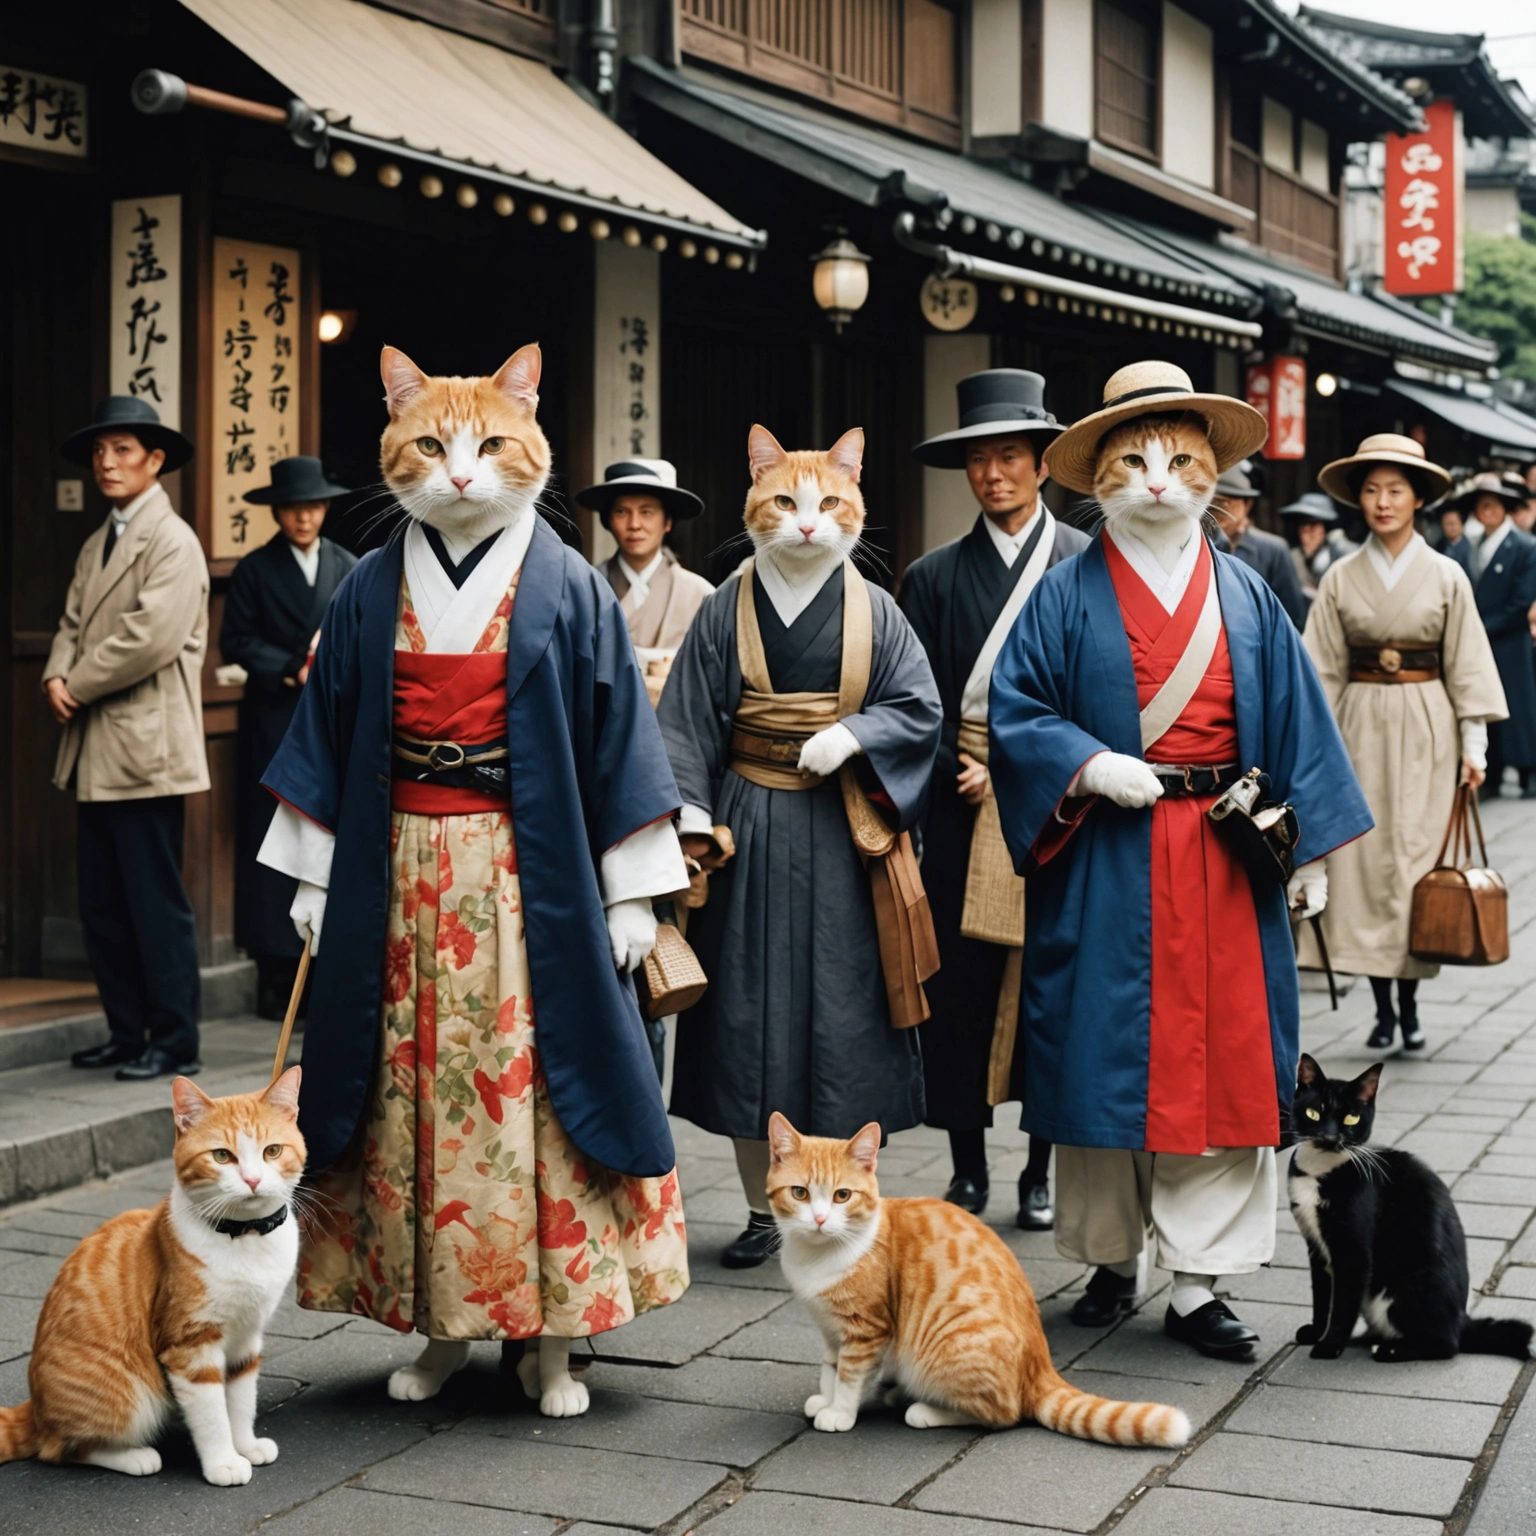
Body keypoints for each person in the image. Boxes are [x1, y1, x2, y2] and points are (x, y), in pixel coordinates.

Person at [257, 343, 689, 1414]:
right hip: (397, 868)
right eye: (430, 445)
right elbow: (327, 728)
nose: (461, 470)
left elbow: (618, 735)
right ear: (395, 448)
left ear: (530, 437)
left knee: (539, 1092)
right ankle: (438, 1323)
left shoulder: (568, 584)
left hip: (525, 873)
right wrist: (314, 875)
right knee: (402, 1088)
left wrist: (632, 887)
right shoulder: (367, 587)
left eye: (488, 443)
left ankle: (547, 1337)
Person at [989, 362, 1372, 1362]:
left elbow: (1298, 725)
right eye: (1134, 461)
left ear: (1211, 476)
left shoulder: (1247, 595)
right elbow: (1017, 714)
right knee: (1100, 1061)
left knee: (1227, 1066)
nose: (1157, 478)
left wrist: (1311, 851)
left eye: (1179, 462)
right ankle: (1113, 1257)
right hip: (1107, 853)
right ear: (1099, 476)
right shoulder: (1062, 596)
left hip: (1223, 855)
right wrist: (1084, 763)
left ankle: (1198, 1284)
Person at [657, 424, 942, 1269]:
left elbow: (920, 710)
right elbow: (683, 726)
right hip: (745, 826)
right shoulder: (726, 604)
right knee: (745, 1016)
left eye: (830, 501)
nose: (808, 521)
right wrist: (689, 823)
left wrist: (856, 733)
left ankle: (842, 1191)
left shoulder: (876, 609)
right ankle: (759, 1202)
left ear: (855, 502)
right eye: (786, 499)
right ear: (756, 494)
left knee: (845, 1016)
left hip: (842, 830)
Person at [897, 369, 1089, 1227]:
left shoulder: (1085, 565)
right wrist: (953, 769)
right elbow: (910, 702)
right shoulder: (934, 577)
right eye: (979, 460)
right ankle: (967, 1165)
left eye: (1010, 457)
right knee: (962, 993)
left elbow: (1098, 698)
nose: (994, 475)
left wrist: (1027, 771)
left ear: (1043, 463)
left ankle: (1040, 1169)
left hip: (1056, 807)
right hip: (959, 801)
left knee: (1051, 987)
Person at [1299, 438, 1506, 1050]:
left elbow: (1466, 661)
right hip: (1358, 724)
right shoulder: (1340, 576)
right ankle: (1383, 1007)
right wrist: (1313, 750)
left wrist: (1476, 745)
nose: (1382, 502)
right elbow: (1322, 670)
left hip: (1427, 726)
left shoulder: (1446, 574)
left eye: (1395, 490)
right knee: (1361, 865)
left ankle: (1410, 1002)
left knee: (1416, 865)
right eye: (1370, 490)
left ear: (1419, 498)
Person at [45, 398, 208, 1081]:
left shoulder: (173, 540)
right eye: (99, 452)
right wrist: (56, 669)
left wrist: (75, 682)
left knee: (153, 904)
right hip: (95, 749)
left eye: (122, 450)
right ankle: (125, 1030)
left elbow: (150, 637)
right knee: (103, 904)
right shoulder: (97, 541)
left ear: (155, 460)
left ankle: (174, 1042)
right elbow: (71, 619)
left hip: (147, 751)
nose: (107, 464)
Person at [220, 457, 357, 1020]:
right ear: (278, 513)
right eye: (294, 509)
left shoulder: (349, 566)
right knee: (271, 843)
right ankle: (276, 975)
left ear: (324, 509)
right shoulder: (254, 569)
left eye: (314, 507)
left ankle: (324, 968)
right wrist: (286, 667)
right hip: (273, 719)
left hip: (328, 718)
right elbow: (235, 641)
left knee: (327, 835)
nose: (304, 517)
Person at [579, 460, 713, 704]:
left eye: (647, 512)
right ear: (608, 521)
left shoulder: (700, 593)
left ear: (668, 522)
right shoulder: (585, 586)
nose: (634, 524)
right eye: (621, 511)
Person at [1452, 474, 1536, 800]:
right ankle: (1494, 770)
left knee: (1519, 707)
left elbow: (1521, 600)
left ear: (1504, 509)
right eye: (1480, 505)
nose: (1485, 510)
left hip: (1509, 640)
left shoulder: (1525, 546)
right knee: (1484, 703)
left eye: (1492, 504)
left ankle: (1529, 769)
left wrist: (1481, 627)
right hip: (1480, 639)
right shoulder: (1469, 548)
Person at [1208, 466, 1309, 628]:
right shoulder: (1199, 545)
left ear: (1247, 504)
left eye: (1223, 503)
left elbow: (1292, 616)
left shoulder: (1273, 549)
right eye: (1210, 503)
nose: (1216, 511)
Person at [1281, 492, 1354, 613]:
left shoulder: (1340, 555)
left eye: (1313, 527)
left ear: (1325, 529)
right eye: (1303, 527)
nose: (1306, 536)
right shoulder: (1293, 558)